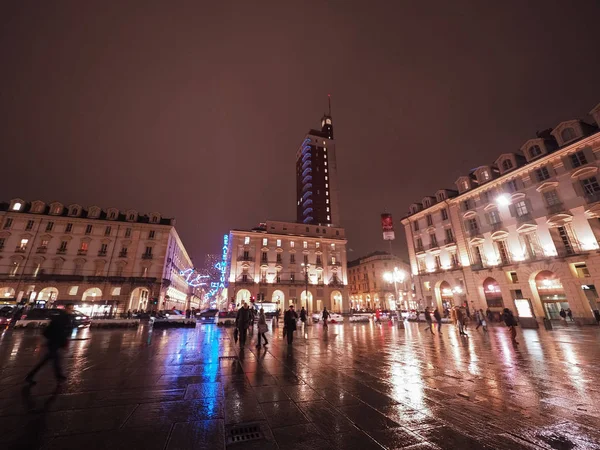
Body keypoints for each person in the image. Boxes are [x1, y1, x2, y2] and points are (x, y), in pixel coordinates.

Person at [25, 304, 75, 384]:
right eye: (69, 308)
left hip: (55, 342)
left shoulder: (66, 317)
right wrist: (63, 342)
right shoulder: (62, 318)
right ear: (66, 308)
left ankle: (58, 376)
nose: (71, 310)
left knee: (51, 360)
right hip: (54, 342)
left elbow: (64, 331)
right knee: (52, 360)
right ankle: (58, 376)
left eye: (72, 309)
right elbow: (59, 331)